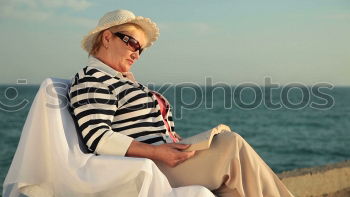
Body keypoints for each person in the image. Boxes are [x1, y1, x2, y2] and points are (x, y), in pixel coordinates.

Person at [68, 9, 294, 197]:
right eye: (132, 43)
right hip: (144, 172)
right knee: (230, 145)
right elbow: (98, 137)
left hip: (161, 163)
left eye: (141, 50)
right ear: (107, 37)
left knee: (234, 182)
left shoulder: (122, 81)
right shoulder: (93, 79)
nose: (137, 54)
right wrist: (157, 153)